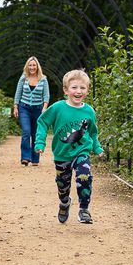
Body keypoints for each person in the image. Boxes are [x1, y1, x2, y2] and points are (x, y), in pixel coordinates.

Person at [34, 69, 103, 224]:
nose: (78, 91)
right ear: (66, 90)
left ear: (87, 90)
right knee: (62, 184)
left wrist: (97, 148)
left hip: (82, 152)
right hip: (62, 154)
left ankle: (84, 209)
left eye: (82, 88)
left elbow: (93, 132)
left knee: (84, 176)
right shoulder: (58, 108)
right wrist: (40, 142)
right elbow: (43, 122)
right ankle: (64, 202)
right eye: (74, 87)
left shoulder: (89, 111)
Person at [13, 56, 50, 166]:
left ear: (37, 66)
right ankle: (25, 157)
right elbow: (18, 93)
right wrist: (16, 107)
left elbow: (46, 95)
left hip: (38, 109)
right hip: (24, 108)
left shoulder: (43, 79)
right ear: (27, 66)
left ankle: (35, 159)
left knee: (35, 134)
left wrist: (45, 107)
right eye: (30, 65)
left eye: (34, 65)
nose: (32, 67)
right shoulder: (23, 78)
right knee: (26, 132)